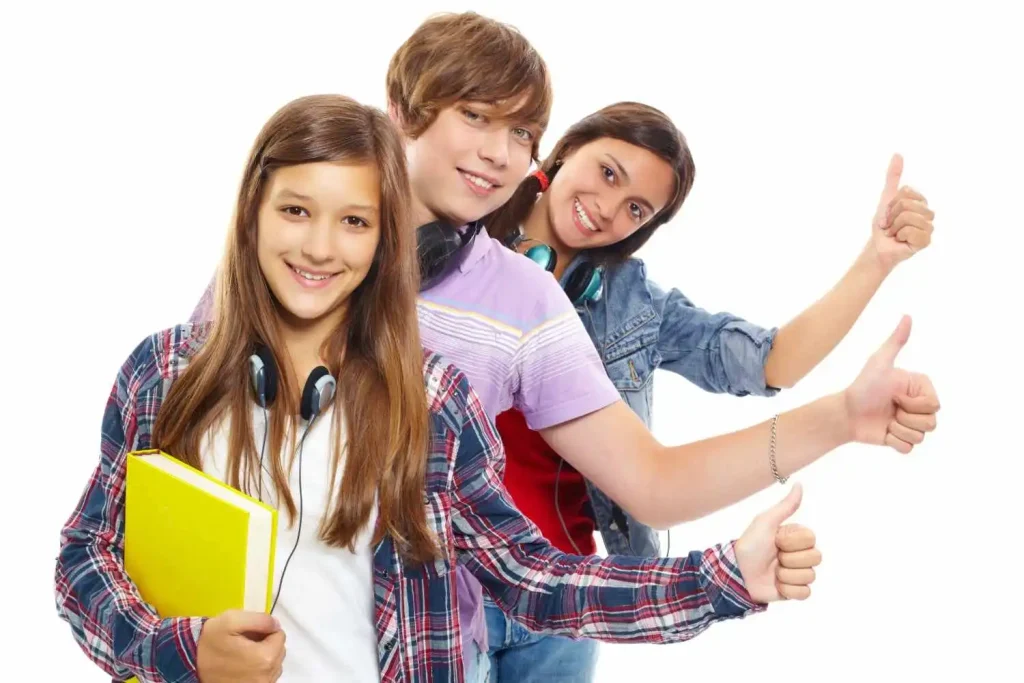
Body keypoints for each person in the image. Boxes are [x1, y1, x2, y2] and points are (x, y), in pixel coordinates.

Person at [185, 12, 940, 683]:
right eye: (477, 116)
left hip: (457, 626)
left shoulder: (525, 300)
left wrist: (841, 417)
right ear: (401, 112)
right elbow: (173, 460)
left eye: (520, 133)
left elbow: (654, 475)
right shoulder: (290, 252)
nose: (498, 152)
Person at [56, 93, 829, 683]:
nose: (321, 247)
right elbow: (85, 558)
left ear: (389, 239)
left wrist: (725, 576)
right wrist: (180, 650)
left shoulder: (432, 402)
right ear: (251, 213)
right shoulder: (163, 373)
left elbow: (537, 577)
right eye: (296, 210)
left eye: (355, 222)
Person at [481, 101, 936, 679]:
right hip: (448, 578)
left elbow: (771, 361)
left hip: (568, 599)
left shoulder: (634, 303)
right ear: (567, 148)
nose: (607, 210)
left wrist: (876, 260)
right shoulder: (461, 239)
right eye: (608, 172)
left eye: (636, 209)